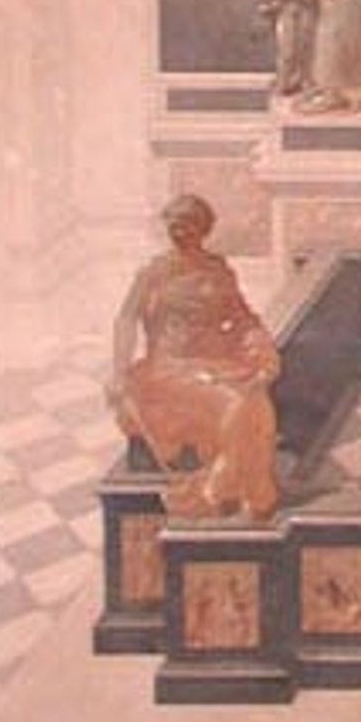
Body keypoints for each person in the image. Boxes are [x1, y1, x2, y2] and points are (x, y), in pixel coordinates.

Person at [107, 195, 281, 524]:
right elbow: (126, 320)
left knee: (256, 400)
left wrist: (261, 347)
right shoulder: (153, 273)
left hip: (215, 362)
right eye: (174, 223)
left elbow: (243, 318)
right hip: (169, 369)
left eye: (188, 224)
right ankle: (223, 490)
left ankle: (249, 489)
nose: (179, 231)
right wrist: (118, 371)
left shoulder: (218, 270)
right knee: (237, 402)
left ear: (204, 229)